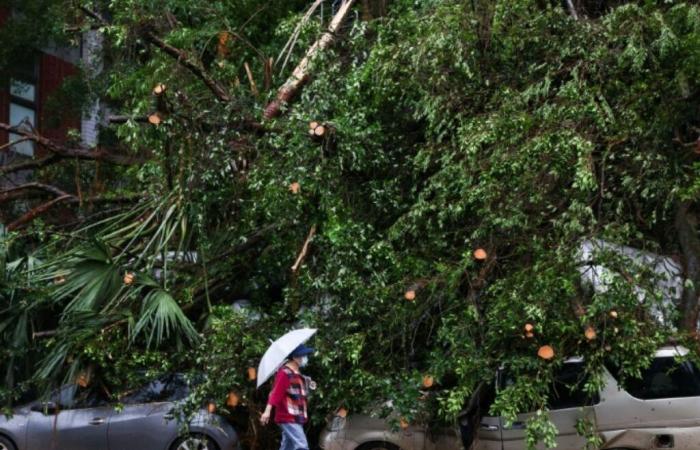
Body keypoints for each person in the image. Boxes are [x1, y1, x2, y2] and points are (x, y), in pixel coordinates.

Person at [260, 344, 315, 450]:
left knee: (287, 447)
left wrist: (310, 383)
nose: (305, 358)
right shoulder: (284, 373)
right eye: (303, 355)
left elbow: (298, 391)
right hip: (287, 416)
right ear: (295, 358)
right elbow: (275, 393)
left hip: (296, 415)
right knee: (302, 446)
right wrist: (267, 411)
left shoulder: (296, 372)